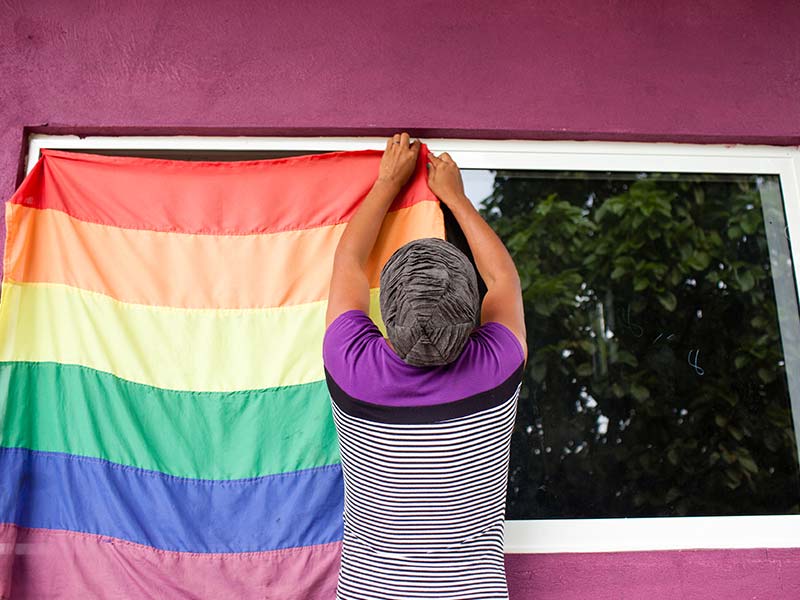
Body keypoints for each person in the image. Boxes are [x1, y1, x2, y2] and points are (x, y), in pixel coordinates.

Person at [322, 132, 527, 600]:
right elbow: (503, 278)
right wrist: (454, 197)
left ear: (385, 315)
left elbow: (348, 262)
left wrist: (386, 184)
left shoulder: (352, 367)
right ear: (474, 312)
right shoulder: (496, 366)